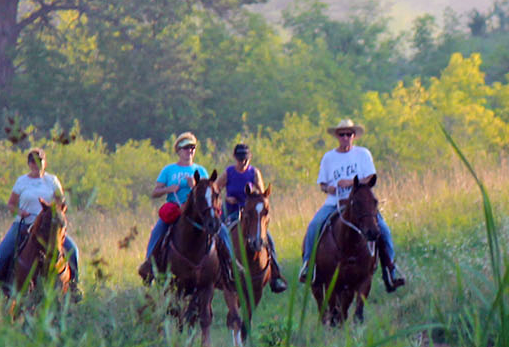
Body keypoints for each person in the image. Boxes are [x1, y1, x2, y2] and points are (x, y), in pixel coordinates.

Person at [299, 118, 405, 292]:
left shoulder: (363, 154)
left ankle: (391, 269)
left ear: (354, 136)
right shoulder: (329, 158)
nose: (345, 138)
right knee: (314, 226)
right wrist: (330, 188)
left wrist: (350, 182)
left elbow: (370, 178)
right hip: (335, 202)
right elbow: (322, 184)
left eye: (349, 134)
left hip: (361, 203)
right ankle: (309, 266)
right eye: (342, 135)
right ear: (337, 136)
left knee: (384, 230)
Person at [0, 147, 83, 298]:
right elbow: (11, 204)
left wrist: (55, 211)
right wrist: (20, 212)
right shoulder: (21, 181)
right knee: (4, 251)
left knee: (73, 250)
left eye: (39, 161)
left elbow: (61, 203)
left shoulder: (52, 180)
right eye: (33, 161)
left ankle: (74, 287)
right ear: (29, 164)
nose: (36, 164)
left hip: (48, 227)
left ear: (45, 163)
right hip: (24, 224)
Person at [137, 131, 212, 284]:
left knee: (219, 230)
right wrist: (168, 189)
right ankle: (150, 265)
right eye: (186, 148)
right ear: (178, 150)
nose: (189, 151)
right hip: (175, 210)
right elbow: (155, 192)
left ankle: (227, 265)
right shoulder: (169, 170)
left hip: (197, 212)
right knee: (158, 230)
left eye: (192, 147)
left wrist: (195, 186)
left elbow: (208, 192)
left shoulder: (201, 171)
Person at [217, 141, 287, 294]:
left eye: (245, 159)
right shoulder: (229, 172)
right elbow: (215, 189)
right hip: (231, 211)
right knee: (219, 235)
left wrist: (254, 194)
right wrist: (226, 198)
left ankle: (275, 274)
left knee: (268, 238)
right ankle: (215, 270)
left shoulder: (254, 173)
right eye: (240, 159)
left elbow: (262, 195)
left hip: (251, 214)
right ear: (235, 158)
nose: (242, 162)